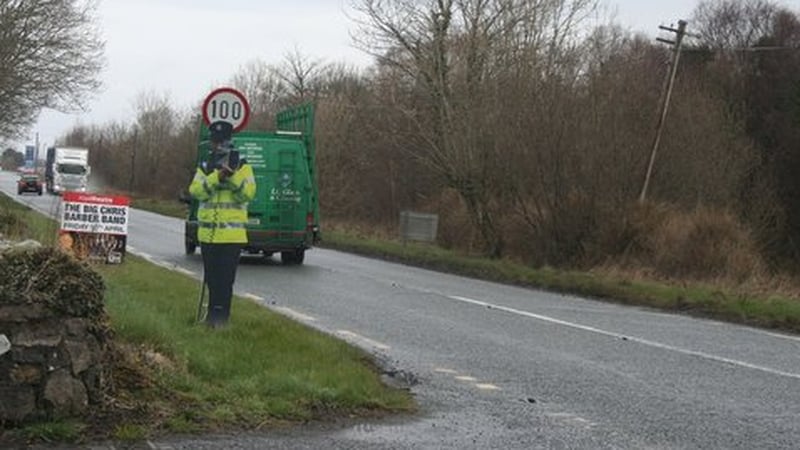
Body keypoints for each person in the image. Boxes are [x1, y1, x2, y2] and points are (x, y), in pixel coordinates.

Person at [188, 121, 256, 327]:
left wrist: (232, 177)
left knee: (225, 282)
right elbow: (196, 191)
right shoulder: (205, 165)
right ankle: (211, 318)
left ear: (229, 141)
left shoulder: (242, 165)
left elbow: (248, 194)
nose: (217, 147)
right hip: (208, 235)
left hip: (232, 237)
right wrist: (217, 177)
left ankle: (220, 319)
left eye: (221, 142)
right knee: (212, 279)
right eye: (214, 142)